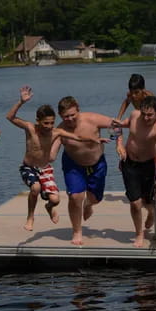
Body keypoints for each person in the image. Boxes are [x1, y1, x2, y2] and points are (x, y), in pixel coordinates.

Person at [6, 86, 106, 231]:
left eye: (52, 123)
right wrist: (21, 102)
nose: (49, 126)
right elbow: (10, 117)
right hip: (29, 167)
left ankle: (49, 207)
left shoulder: (55, 132)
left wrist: (95, 139)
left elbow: (77, 136)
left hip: (45, 169)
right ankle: (30, 217)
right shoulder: (30, 128)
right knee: (35, 188)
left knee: (55, 200)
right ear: (38, 121)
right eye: (46, 123)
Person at [114, 96, 156, 248]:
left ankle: (151, 213)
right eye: (144, 114)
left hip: (147, 166)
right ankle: (139, 233)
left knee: (148, 202)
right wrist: (119, 144)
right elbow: (117, 127)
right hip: (129, 164)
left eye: (150, 115)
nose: (146, 118)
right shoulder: (135, 115)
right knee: (135, 203)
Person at [50, 96, 113, 246]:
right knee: (75, 196)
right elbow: (52, 155)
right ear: (60, 116)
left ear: (78, 109)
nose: (70, 119)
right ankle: (77, 231)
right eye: (66, 116)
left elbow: (115, 124)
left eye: (73, 114)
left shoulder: (92, 119)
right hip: (74, 165)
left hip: (97, 164)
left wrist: (119, 145)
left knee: (95, 198)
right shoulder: (60, 130)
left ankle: (88, 205)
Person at [116, 74, 156, 202]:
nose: (134, 96)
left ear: (143, 90)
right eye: (131, 92)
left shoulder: (150, 97)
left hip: (153, 127)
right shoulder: (131, 96)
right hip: (140, 124)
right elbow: (126, 102)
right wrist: (119, 116)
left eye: (136, 92)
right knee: (132, 152)